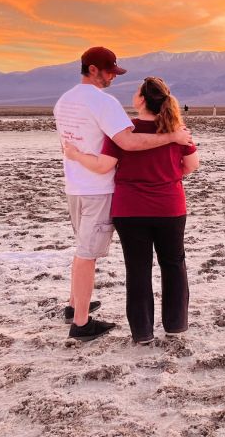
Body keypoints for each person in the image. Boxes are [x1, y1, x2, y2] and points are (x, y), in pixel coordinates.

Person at [54, 48, 192, 342]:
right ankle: (81, 321)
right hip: (104, 190)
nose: (113, 78)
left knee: (129, 266)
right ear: (93, 69)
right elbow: (128, 144)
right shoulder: (106, 104)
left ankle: (84, 309)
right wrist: (172, 141)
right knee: (90, 254)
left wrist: (74, 155)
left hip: (82, 189)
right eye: (109, 72)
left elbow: (105, 149)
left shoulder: (64, 100)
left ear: (142, 99)